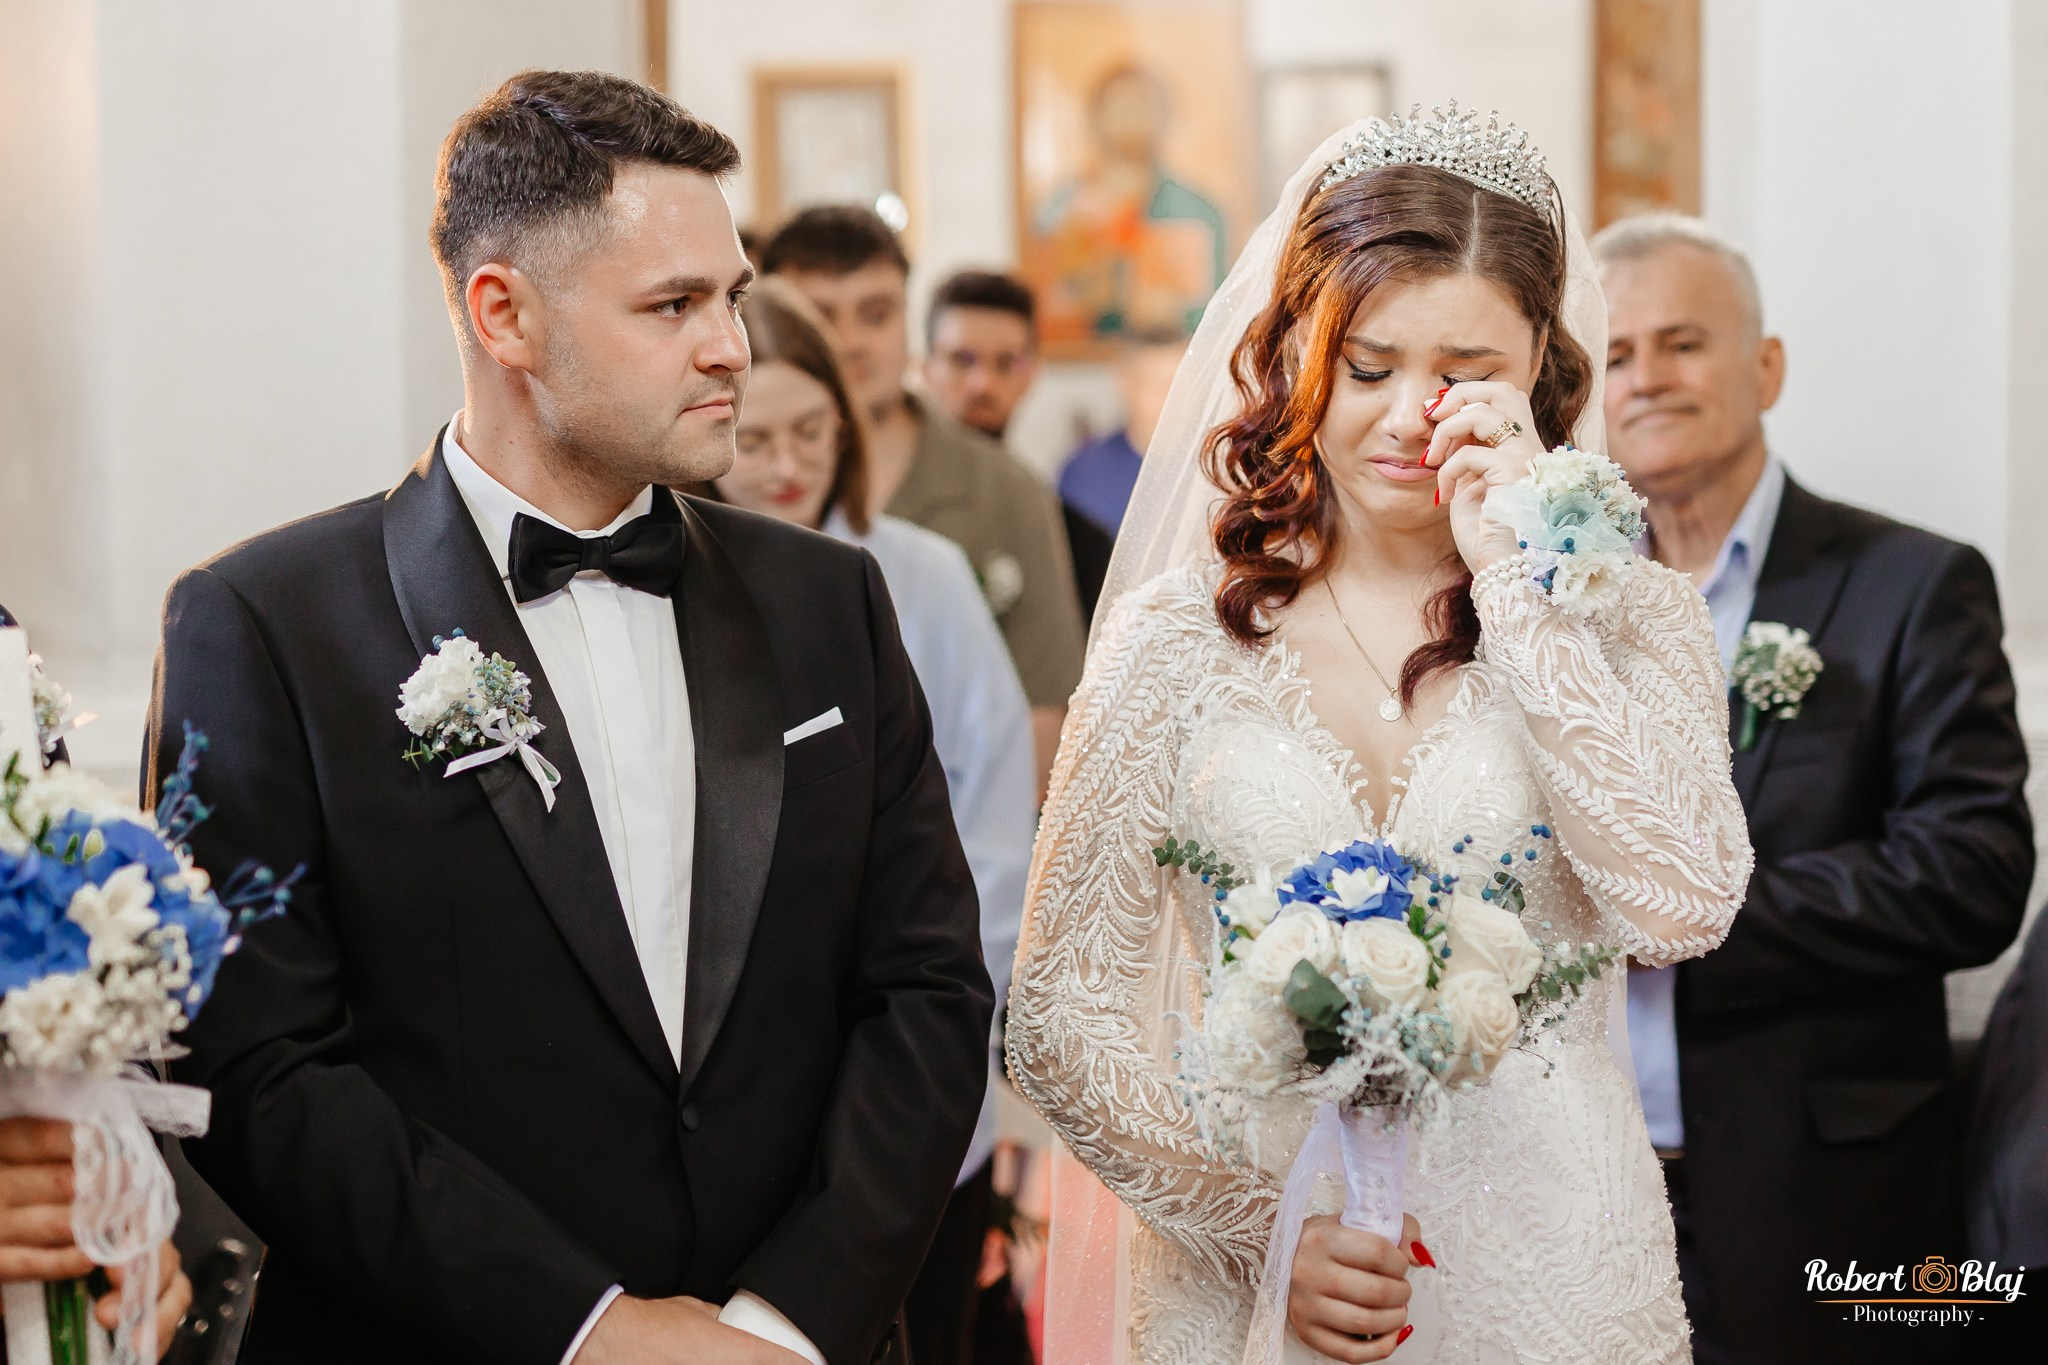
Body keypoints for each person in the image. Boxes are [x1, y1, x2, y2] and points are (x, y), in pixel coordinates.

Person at [145, 70, 992, 1364]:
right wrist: (592, 1331)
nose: (733, 348)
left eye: (733, 299)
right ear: (506, 316)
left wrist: (784, 1322)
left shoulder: (831, 602)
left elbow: (926, 991)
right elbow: (260, 1069)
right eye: (674, 305)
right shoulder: (264, 624)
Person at [1009, 107, 1752, 1364]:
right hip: (1258, 1286)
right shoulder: (1173, 640)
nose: (1413, 415)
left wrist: (1520, 590)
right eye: (1366, 368)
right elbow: (1058, 1010)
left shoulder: (1630, 619)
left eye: (1462, 372)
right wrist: (1266, 1230)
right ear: (1298, 355)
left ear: (1538, 365)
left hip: (1553, 1276)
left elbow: (1679, 906)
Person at [1597, 213, 2032, 1365]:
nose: (1645, 378)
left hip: (1820, 1204)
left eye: (1680, 342)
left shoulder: (1908, 586)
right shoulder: (1548, 611)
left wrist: (1687, 920)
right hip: (1580, 1200)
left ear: (1765, 367)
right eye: (1614, 354)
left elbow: (1972, 872)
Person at [698, 276, 1036, 1365]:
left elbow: (993, 825)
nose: (788, 463)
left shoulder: (919, 576)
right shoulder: (664, 586)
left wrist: (933, 1025)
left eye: (813, 431)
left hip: (912, 1063)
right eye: (757, 438)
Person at [761, 208, 1086, 791]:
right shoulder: (731, 483)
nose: (851, 342)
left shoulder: (1007, 489)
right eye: (820, 316)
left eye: (876, 314)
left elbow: (1046, 710)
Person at [920, 267, 1116, 621]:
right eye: (962, 360)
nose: (982, 383)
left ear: (1031, 376)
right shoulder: (876, 516)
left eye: (1005, 363)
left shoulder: (1077, 543)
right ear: (925, 370)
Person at [1056, 326, 1188, 536]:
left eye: (1184, 386)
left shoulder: (1212, 468)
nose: (1174, 400)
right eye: (1160, 386)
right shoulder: (1085, 472)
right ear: (1126, 382)